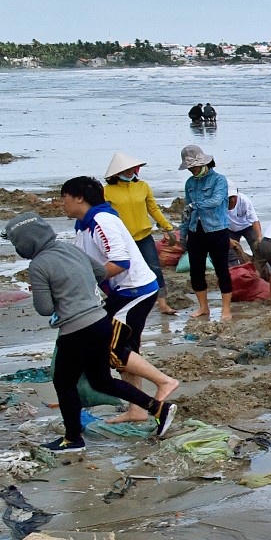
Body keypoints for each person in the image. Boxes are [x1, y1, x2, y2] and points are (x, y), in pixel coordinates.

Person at [4, 215, 178, 453]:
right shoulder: (68, 248)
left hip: (76, 329)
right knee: (101, 380)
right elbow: (98, 272)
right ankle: (157, 408)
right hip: (100, 321)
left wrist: (55, 293)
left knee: (64, 383)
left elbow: (44, 308)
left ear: (26, 242)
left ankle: (73, 439)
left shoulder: (39, 265)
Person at [59, 176, 180, 420]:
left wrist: (88, 280)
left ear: (79, 198)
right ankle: (136, 409)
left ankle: (164, 381)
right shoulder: (83, 225)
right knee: (126, 347)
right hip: (120, 292)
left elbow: (121, 262)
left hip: (135, 290)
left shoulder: (102, 221)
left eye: (64, 198)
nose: (61, 204)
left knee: (111, 348)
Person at [102, 151, 178, 315]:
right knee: (124, 272)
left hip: (144, 236)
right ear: (117, 172)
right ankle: (125, 303)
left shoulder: (142, 186)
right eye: (126, 169)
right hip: (122, 239)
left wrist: (168, 227)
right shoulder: (106, 191)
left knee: (154, 268)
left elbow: (153, 209)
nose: (130, 172)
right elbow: (103, 216)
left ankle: (163, 304)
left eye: (132, 169)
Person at [177, 144, 233, 322]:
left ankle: (226, 309)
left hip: (217, 230)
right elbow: (187, 210)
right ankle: (203, 307)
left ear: (205, 163)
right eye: (190, 168)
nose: (192, 170)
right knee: (196, 271)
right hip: (196, 230)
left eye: (195, 167)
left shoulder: (219, 180)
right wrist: (183, 234)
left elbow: (216, 201)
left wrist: (196, 205)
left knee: (222, 269)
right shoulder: (190, 183)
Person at [224, 183, 261, 268]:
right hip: (230, 229)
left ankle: (266, 274)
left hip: (247, 226)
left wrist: (259, 238)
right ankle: (234, 273)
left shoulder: (244, 200)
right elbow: (218, 225)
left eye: (233, 197)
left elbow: (254, 220)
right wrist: (228, 239)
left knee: (259, 250)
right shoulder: (219, 204)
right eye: (229, 198)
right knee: (230, 253)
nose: (231, 200)